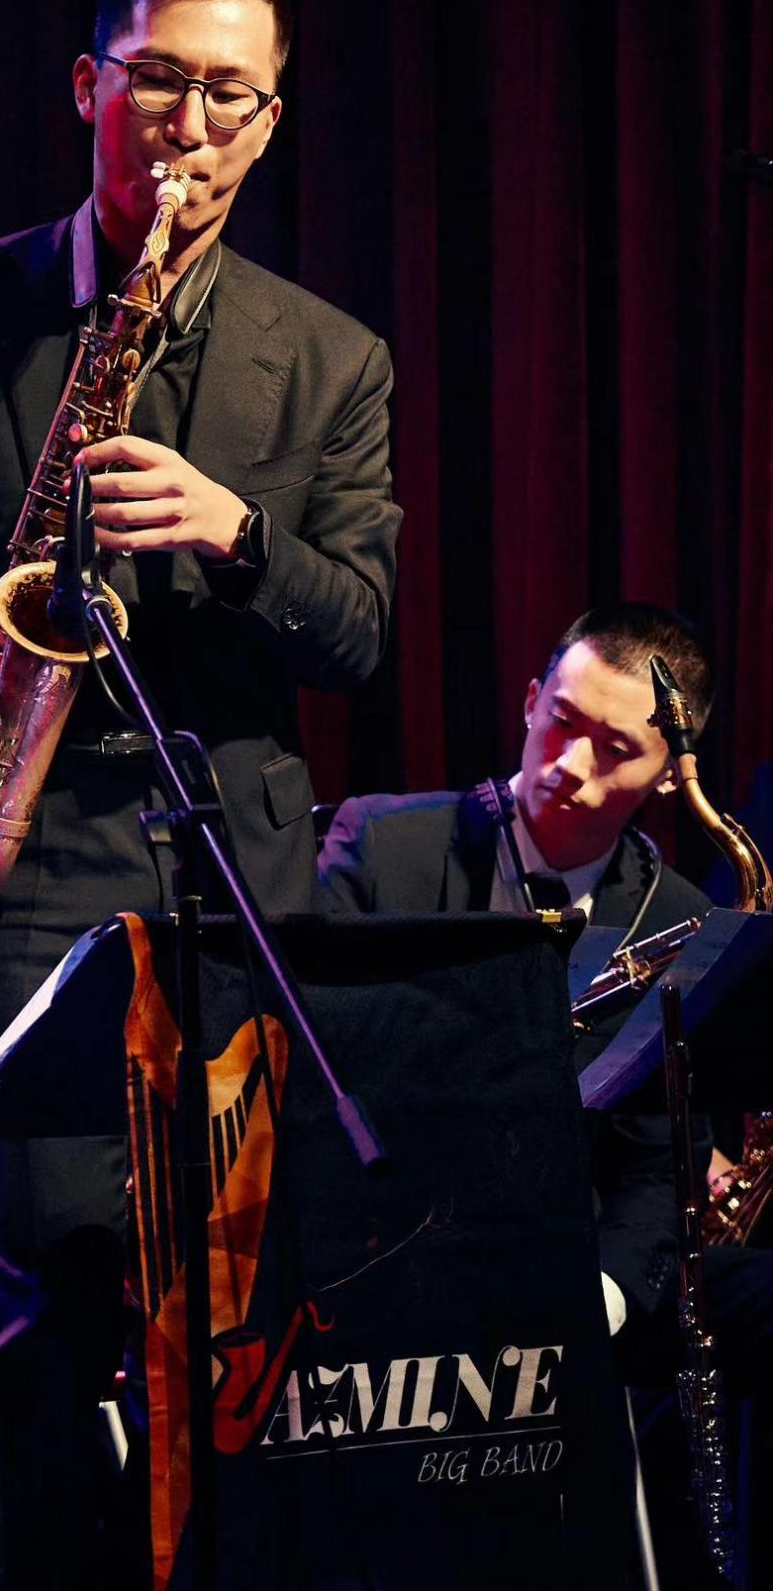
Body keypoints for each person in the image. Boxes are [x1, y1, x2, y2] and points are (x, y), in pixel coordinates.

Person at [0, 0, 401, 1580]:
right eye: (156, 82)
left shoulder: (333, 359)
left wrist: (234, 533)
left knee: (241, 1336)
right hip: (5, 885)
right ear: (88, 87)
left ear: (270, 116)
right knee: (39, 1346)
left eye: (228, 93)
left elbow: (359, 633)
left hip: (227, 896)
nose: (188, 126)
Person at [318, 602, 773, 1582]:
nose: (569, 762)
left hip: (575, 1267)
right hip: (388, 1252)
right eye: (561, 720)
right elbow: (309, 1089)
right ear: (528, 701)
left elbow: (658, 1167)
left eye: (615, 748)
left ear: (668, 774)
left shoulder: (681, 919)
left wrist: (598, 1295)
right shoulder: (382, 844)